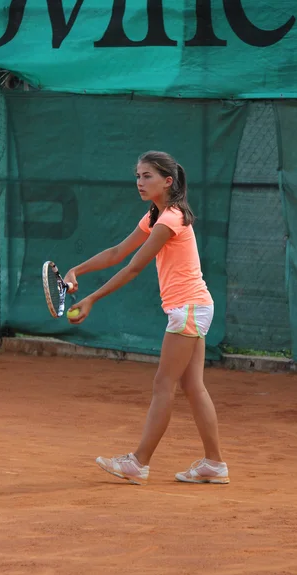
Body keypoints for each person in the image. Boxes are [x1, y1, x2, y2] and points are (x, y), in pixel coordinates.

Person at [64, 151, 229, 486]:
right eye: (138, 176)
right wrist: (76, 269)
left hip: (188, 308)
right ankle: (214, 463)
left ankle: (138, 463)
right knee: (191, 385)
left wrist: (93, 298)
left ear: (168, 181)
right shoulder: (156, 216)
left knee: (163, 384)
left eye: (147, 176)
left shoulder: (171, 219)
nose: (140, 182)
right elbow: (117, 252)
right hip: (192, 308)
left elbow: (134, 266)